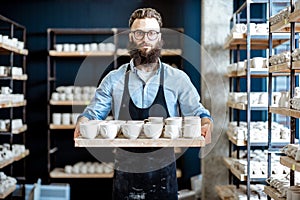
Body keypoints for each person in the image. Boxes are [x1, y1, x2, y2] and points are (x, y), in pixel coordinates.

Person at [74, 7, 213, 200]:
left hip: (164, 174)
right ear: (131, 38)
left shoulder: (178, 78)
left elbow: (197, 112)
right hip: (125, 173)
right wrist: (83, 120)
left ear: (160, 38)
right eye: (139, 33)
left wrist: (206, 122)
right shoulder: (113, 79)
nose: (145, 39)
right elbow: (93, 113)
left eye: (152, 33)